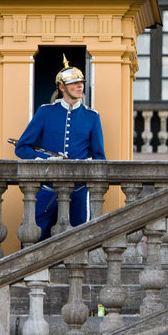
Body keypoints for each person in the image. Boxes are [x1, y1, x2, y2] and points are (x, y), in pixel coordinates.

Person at [15, 54, 106, 240]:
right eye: (74, 83)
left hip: (79, 191)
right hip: (47, 188)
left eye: (81, 82)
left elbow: (99, 157)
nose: (80, 86)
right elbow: (22, 147)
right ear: (62, 87)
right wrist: (43, 160)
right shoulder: (45, 112)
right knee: (32, 237)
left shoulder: (92, 117)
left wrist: (85, 164)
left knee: (80, 239)